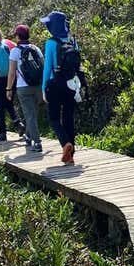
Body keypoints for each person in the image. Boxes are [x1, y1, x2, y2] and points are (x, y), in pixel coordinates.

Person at [41, 10, 82, 164]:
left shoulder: (51, 43)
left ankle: (66, 144)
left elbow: (48, 67)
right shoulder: (72, 41)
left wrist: (44, 88)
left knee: (53, 118)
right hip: (71, 83)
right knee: (68, 118)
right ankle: (71, 155)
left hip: (55, 83)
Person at [7, 24, 45, 152]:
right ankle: (28, 137)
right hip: (37, 86)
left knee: (30, 115)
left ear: (18, 36)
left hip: (23, 87)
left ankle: (37, 143)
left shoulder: (15, 51)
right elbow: (43, 67)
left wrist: (8, 89)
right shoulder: (36, 48)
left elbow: (12, 73)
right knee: (33, 114)